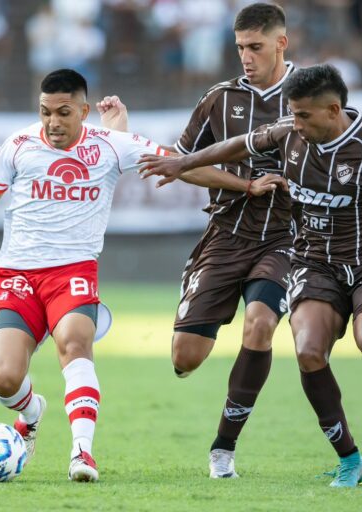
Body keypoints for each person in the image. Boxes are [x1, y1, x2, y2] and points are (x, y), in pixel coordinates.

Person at [138, 64, 362, 487]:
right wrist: (185, 162)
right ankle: (351, 460)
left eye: (304, 115)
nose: (295, 123)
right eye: (292, 114)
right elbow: (240, 145)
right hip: (314, 262)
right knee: (309, 351)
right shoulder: (290, 133)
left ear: (333, 110)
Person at [0, 69, 276, 483]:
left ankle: (82, 453)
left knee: (74, 343)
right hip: (18, 274)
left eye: (64, 112)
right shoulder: (17, 146)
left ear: (84, 111)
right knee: (6, 379)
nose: (53, 122)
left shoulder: (109, 145)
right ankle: (32, 414)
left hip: (73, 272)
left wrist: (245, 186)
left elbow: (179, 165)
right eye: (45, 112)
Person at [121, 3, 295, 479]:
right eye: (240, 47)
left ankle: (224, 448)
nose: (246, 56)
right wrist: (245, 184)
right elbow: (185, 163)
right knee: (185, 359)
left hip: (287, 239)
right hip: (226, 235)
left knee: (259, 326)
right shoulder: (221, 98)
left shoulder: (307, 97)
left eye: (255, 47)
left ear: (281, 43)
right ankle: (209, 316)